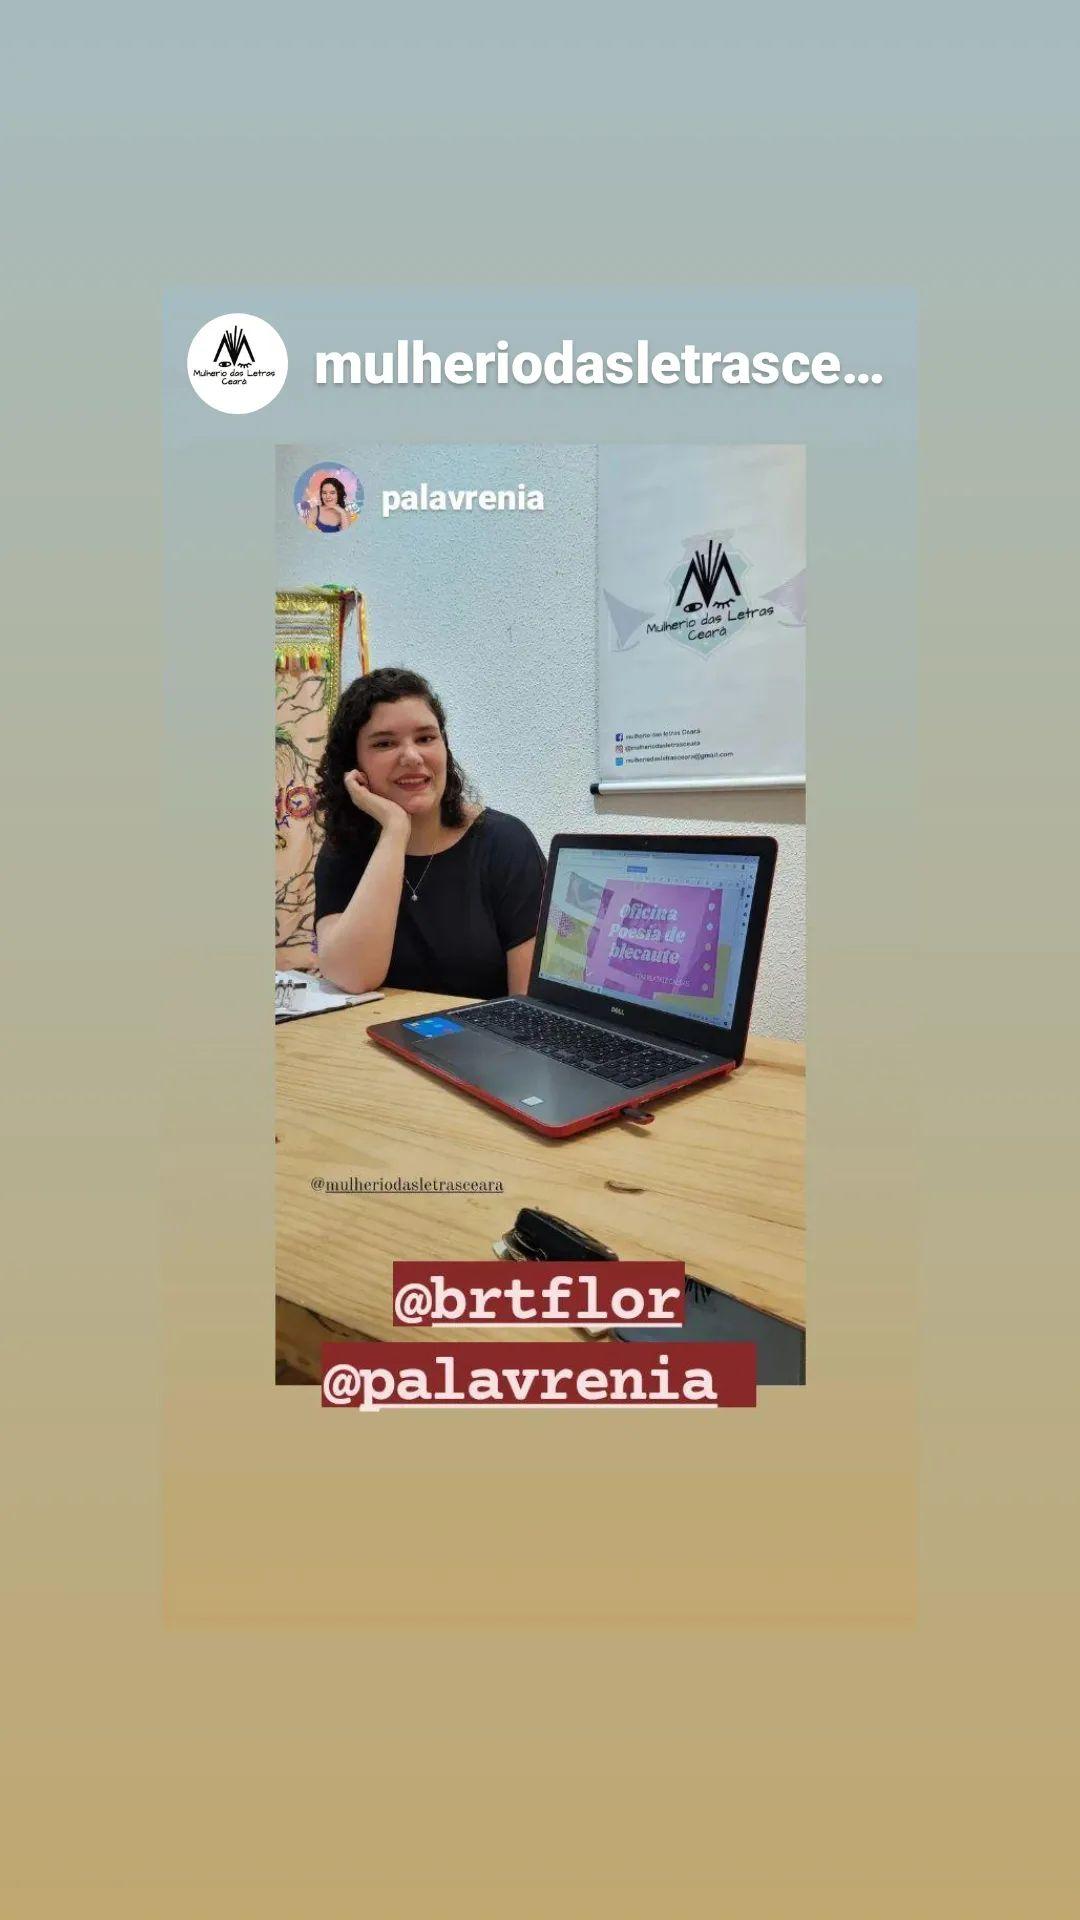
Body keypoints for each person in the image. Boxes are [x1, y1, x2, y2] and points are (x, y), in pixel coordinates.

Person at [312, 667, 546, 999]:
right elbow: (354, 976)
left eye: (425, 738)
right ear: (354, 765)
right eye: (385, 743)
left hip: (479, 1033)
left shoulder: (506, 844)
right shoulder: (343, 849)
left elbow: (529, 1005)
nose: (412, 757)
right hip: (375, 1032)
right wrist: (395, 829)